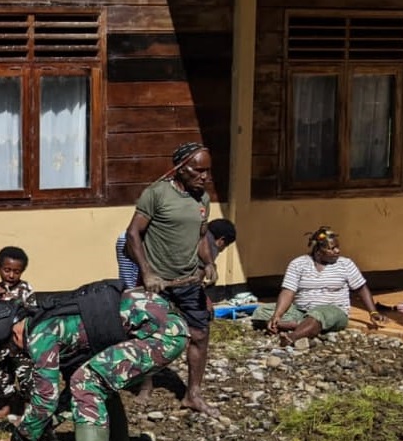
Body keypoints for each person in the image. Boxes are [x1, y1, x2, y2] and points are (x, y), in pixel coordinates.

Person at [0, 289, 188, 441]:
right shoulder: (49, 316)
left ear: (14, 335)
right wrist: (42, 427)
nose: (17, 353)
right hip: (165, 327)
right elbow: (64, 397)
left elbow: (45, 401)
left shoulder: (41, 335)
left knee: (87, 381)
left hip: (161, 335)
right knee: (98, 378)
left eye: (11, 349)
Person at [125, 142, 219, 417]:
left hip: (189, 281)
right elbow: (132, 235)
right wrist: (146, 272)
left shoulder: (202, 198)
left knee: (200, 334)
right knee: (149, 335)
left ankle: (193, 394)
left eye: (208, 171)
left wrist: (209, 262)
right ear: (180, 168)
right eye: (198, 170)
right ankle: (146, 382)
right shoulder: (156, 194)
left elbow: (202, 236)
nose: (204, 177)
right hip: (158, 283)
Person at [116, 218, 237, 402]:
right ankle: (146, 384)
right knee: (143, 312)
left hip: (135, 245)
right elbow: (195, 279)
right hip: (136, 248)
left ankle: (146, 385)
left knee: (144, 314)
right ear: (221, 240)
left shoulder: (197, 231)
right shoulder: (209, 245)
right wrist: (204, 299)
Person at [251, 226, 384, 346]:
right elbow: (288, 291)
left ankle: (292, 337)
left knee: (319, 314)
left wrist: (373, 312)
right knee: (261, 311)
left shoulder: (346, 264)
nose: (337, 251)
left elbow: (361, 288)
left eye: (337, 247)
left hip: (334, 311)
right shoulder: (298, 264)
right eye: (331, 249)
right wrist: (277, 315)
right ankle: (304, 325)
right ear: (318, 252)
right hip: (301, 311)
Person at [0, 246, 37, 416]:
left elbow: (33, 313)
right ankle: (8, 406)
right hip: (0, 345)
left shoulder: (26, 289)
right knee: (1, 378)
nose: (11, 275)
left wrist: (17, 303)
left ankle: (29, 408)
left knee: (26, 377)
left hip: (20, 345)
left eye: (16, 271)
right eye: (7, 270)